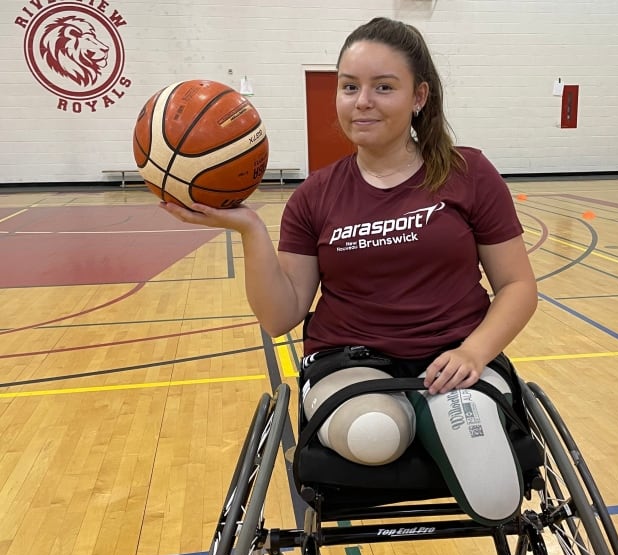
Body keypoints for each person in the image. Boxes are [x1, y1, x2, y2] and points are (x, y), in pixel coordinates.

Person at [162, 17, 538, 525]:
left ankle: (444, 415)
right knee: (374, 434)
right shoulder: (315, 195)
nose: (362, 101)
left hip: (458, 358)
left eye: (384, 87)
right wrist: (250, 229)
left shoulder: (467, 172)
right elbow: (280, 316)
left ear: (419, 96)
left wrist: (473, 352)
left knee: (487, 477)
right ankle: (415, 417)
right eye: (349, 87)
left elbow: (517, 286)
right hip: (351, 362)